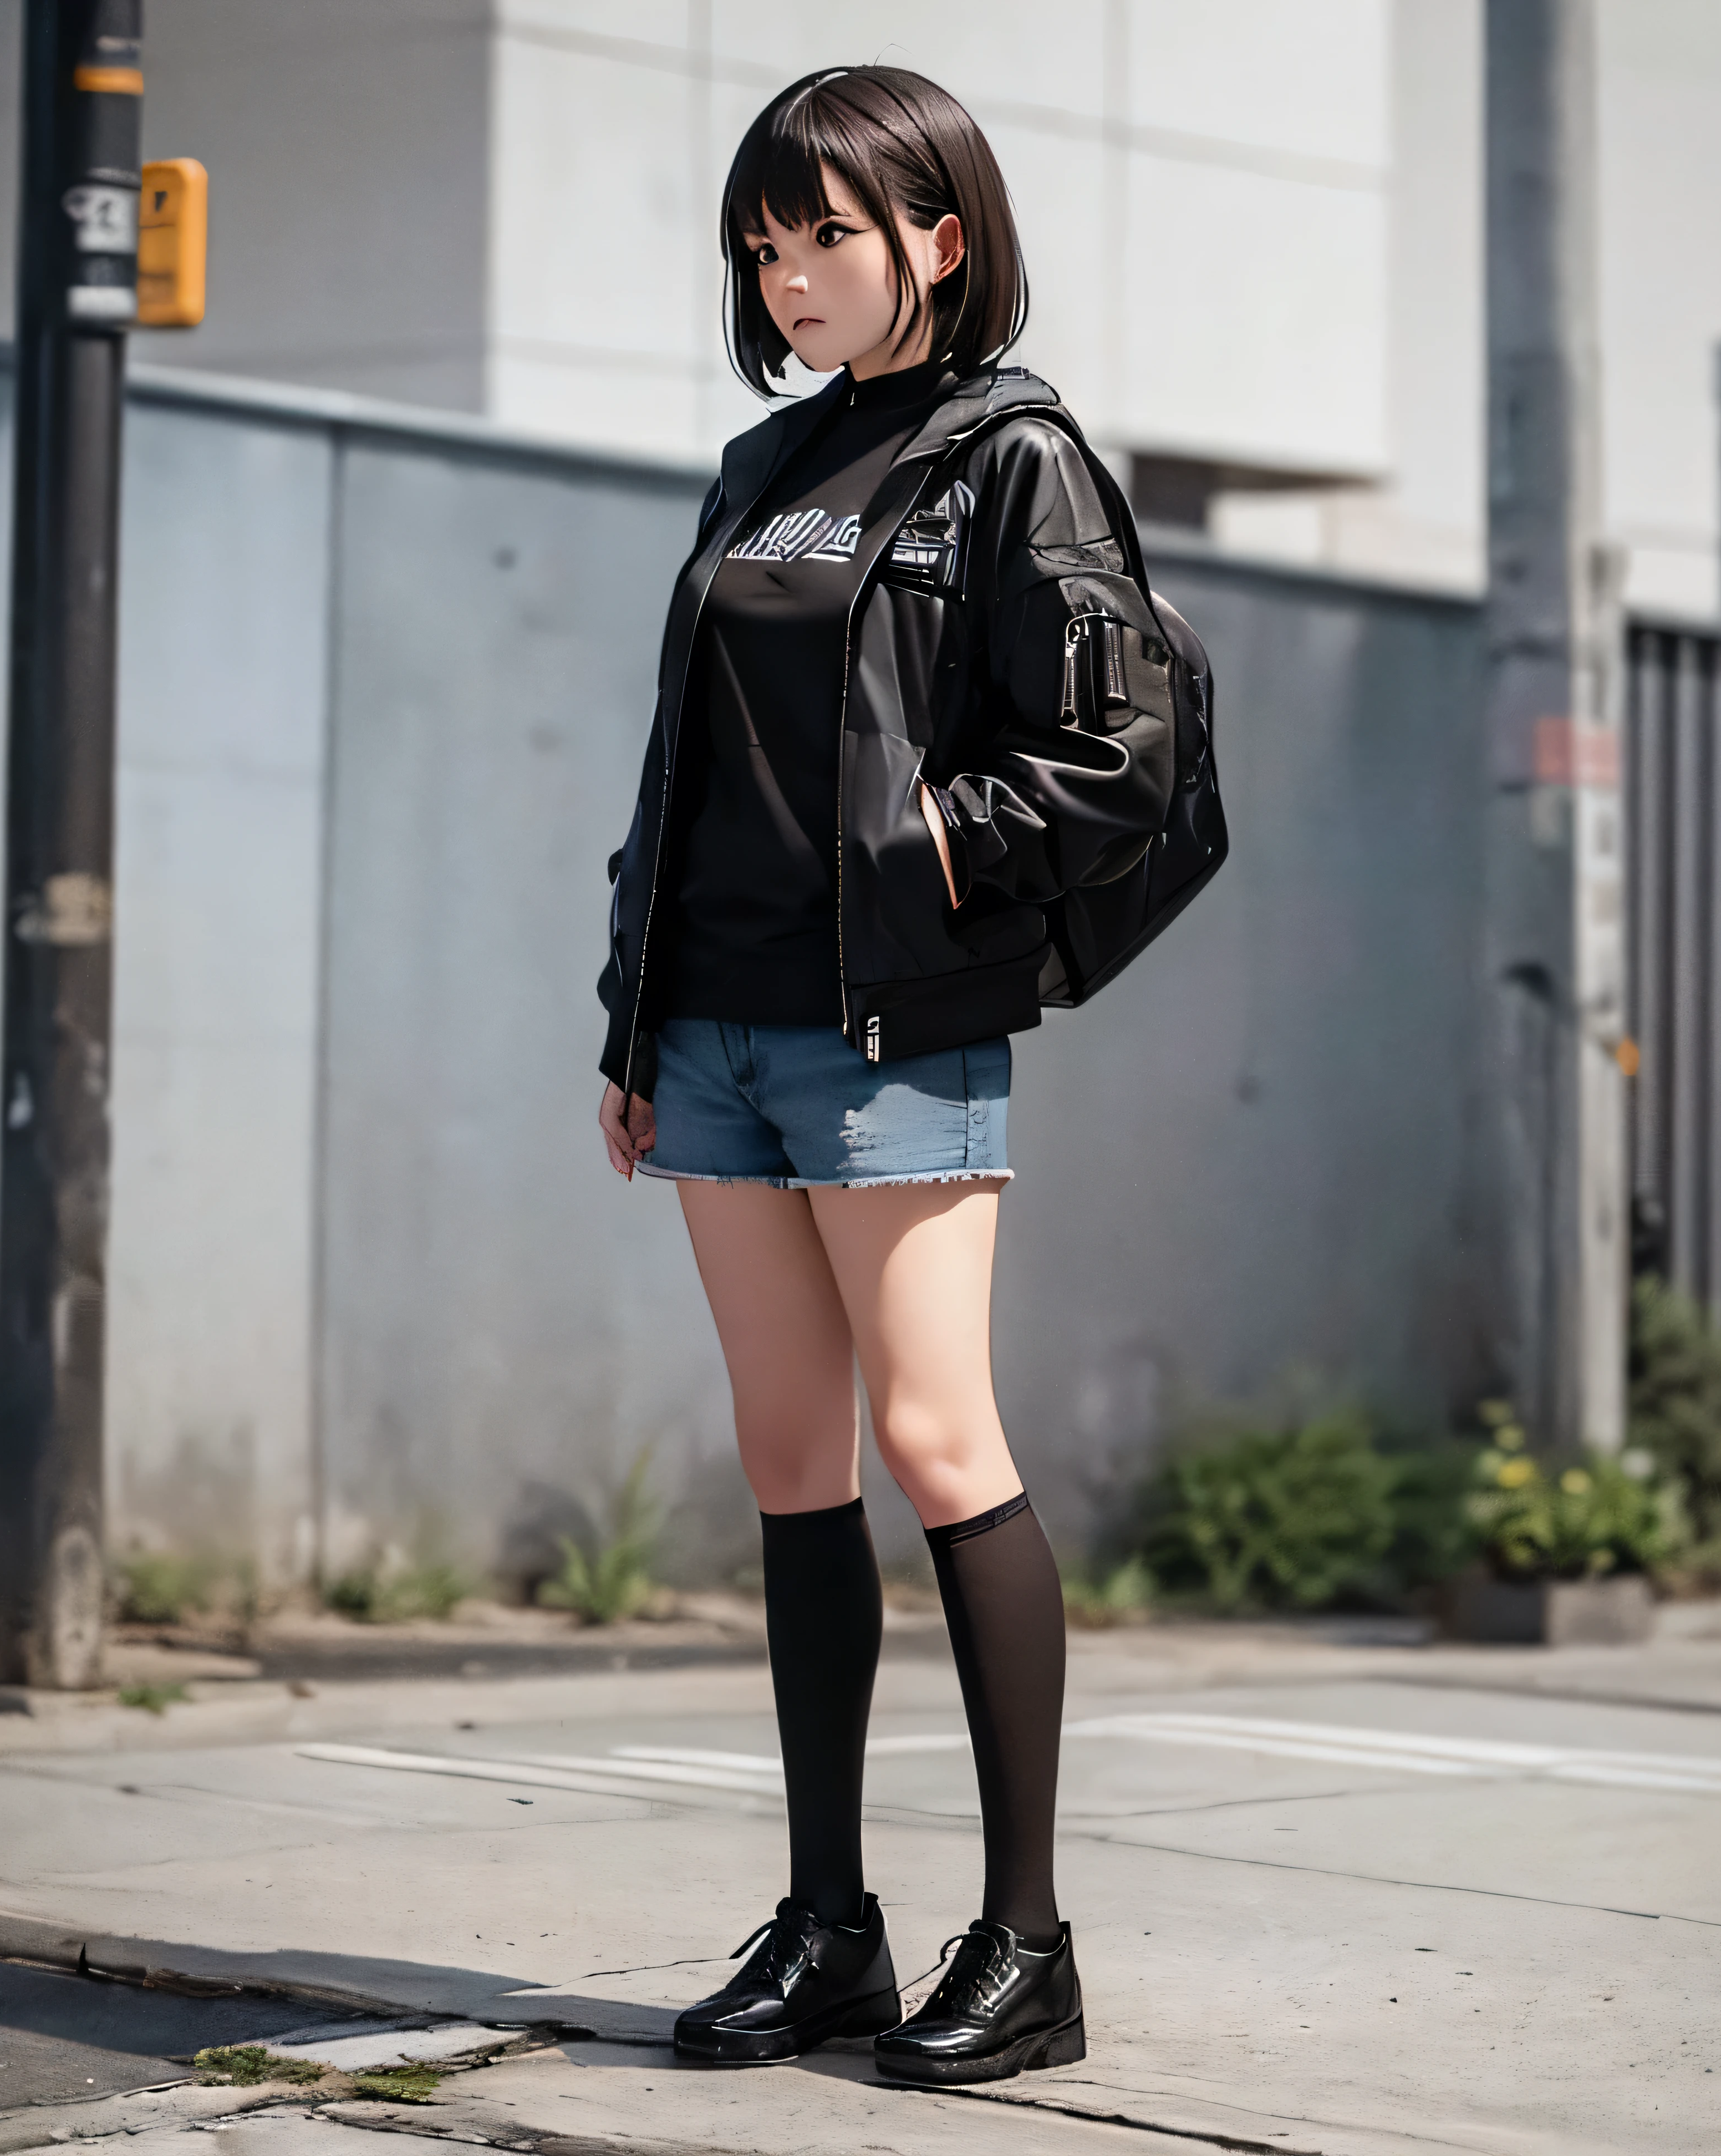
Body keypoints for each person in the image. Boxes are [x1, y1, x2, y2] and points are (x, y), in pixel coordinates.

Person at [595, 65, 1183, 2087]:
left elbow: (1121, 762)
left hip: (887, 1031)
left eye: (826, 234)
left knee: (943, 1445)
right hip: (717, 1035)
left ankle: (1028, 1944)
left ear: (938, 233)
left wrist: (932, 855)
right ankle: (829, 1923)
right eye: (766, 241)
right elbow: (685, 767)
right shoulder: (759, 466)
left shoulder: (1012, 462)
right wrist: (630, 1012)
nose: (791, 272)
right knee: (790, 1465)